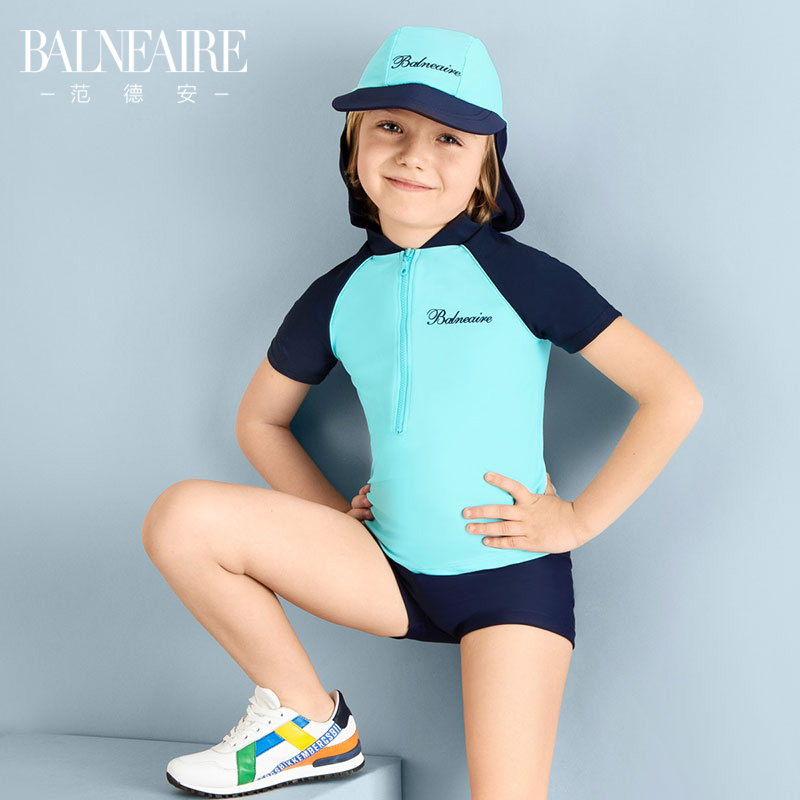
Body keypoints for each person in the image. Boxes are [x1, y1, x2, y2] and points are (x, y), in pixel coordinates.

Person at [142, 25, 703, 800]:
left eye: (448, 136)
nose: (413, 154)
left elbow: (673, 395)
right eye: (390, 126)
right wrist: (335, 519)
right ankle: (310, 722)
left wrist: (577, 521)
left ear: (485, 165)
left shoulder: (526, 278)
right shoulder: (336, 295)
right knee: (181, 518)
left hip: (511, 580)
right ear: (354, 146)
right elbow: (258, 421)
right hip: (382, 569)